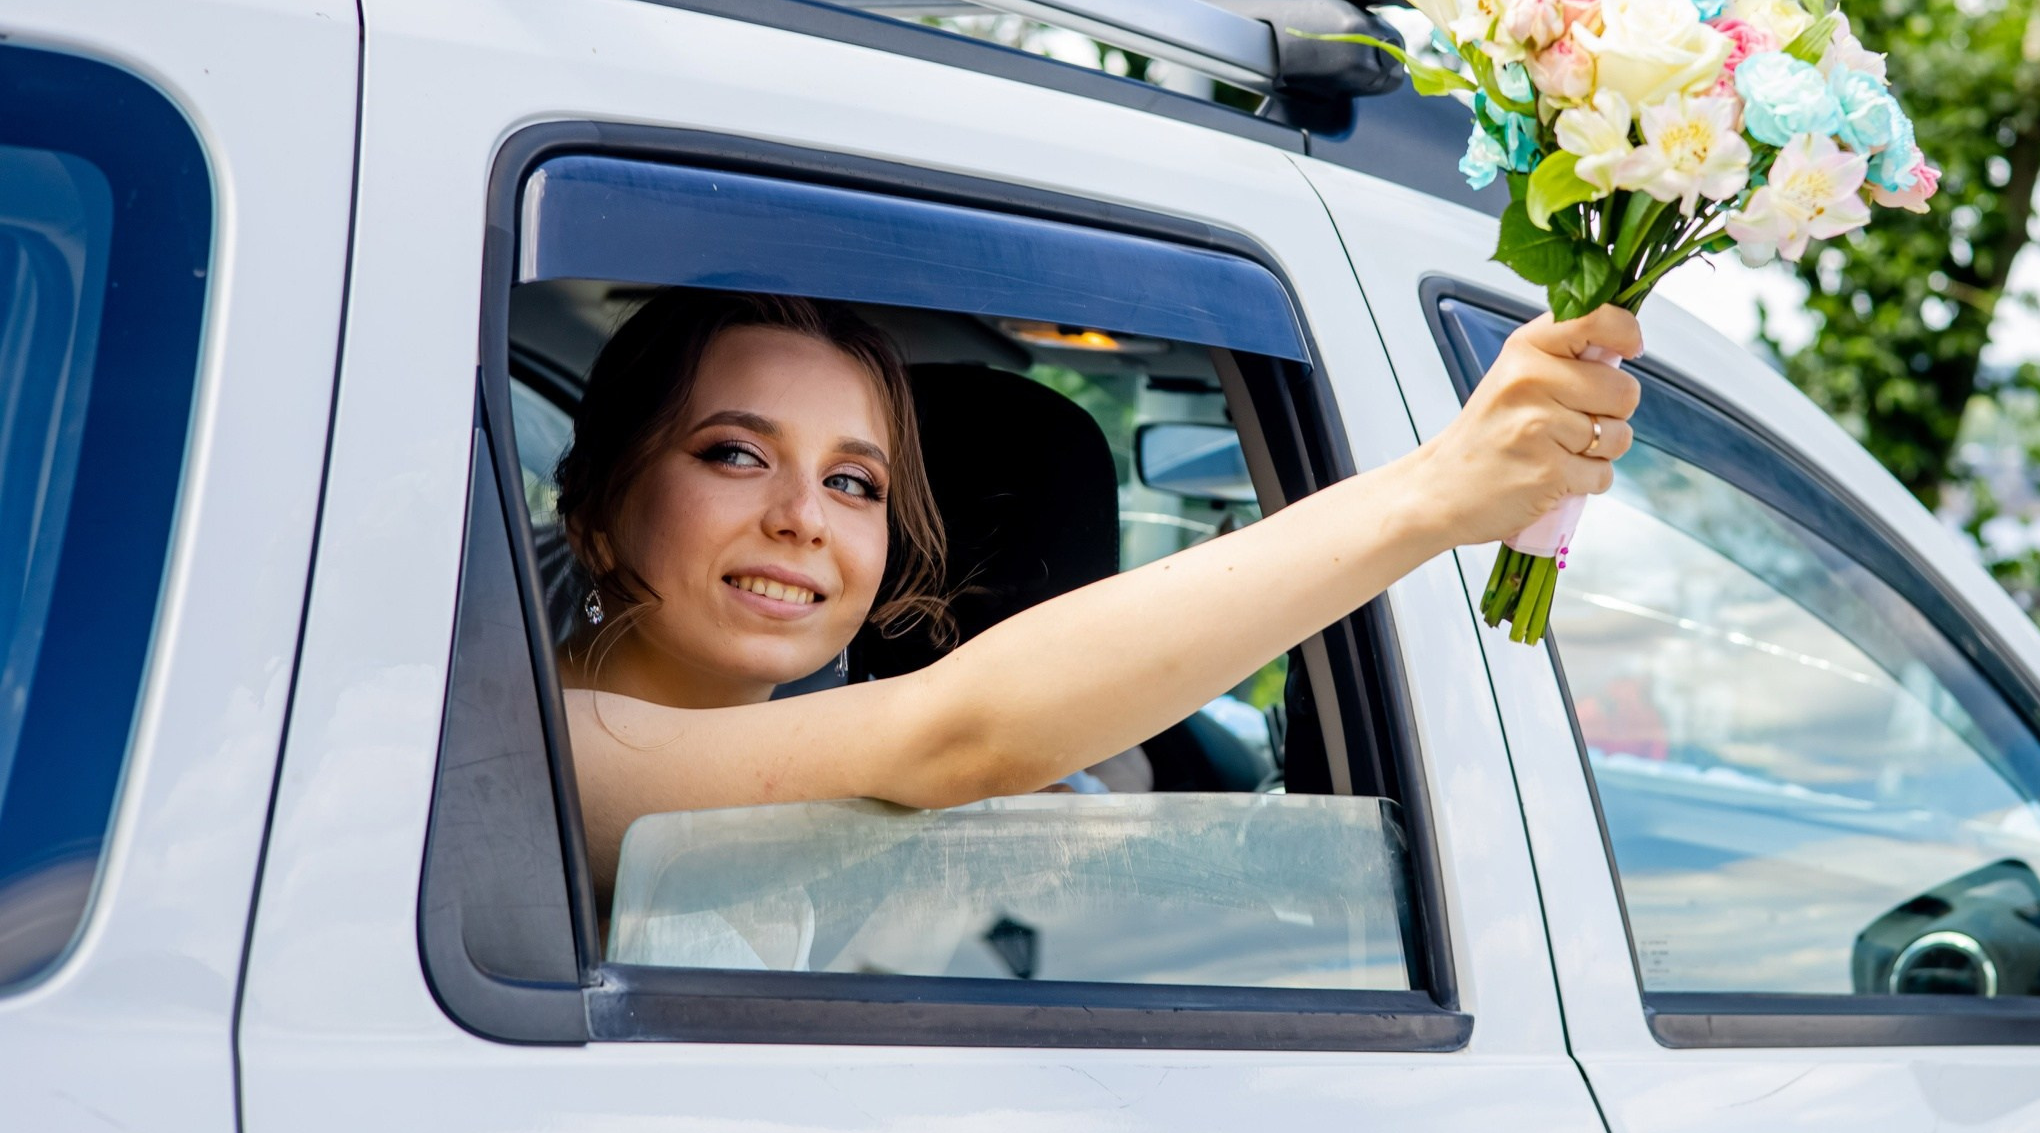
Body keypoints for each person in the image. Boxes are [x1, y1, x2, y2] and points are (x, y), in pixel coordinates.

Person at [553, 289, 1642, 881]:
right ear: (595, 516)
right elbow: (953, 733)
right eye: (734, 455)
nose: (801, 519)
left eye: (853, 480)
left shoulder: (814, 776)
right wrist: (1429, 497)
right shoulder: (548, 747)